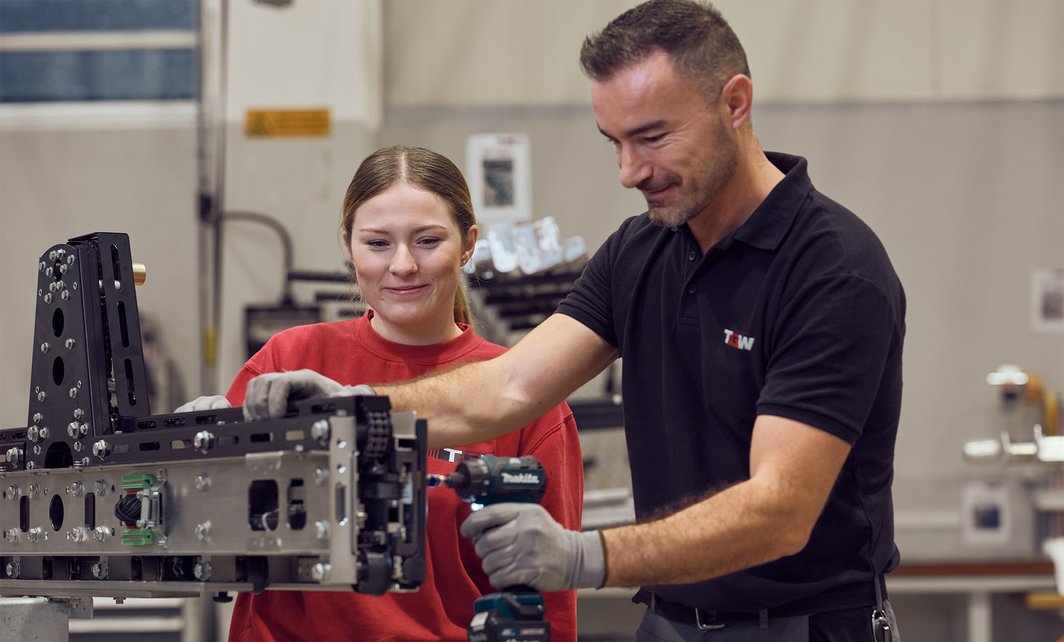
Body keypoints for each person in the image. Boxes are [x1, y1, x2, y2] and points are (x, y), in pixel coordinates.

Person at [242, 1, 905, 639]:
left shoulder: (831, 269)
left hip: (804, 628)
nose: (628, 172)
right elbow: (508, 389)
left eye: (652, 138)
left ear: (734, 103)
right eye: (614, 141)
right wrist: (356, 407)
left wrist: (585, 555)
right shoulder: (641, 251)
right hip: (671, 622)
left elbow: (779, 511)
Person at [177, 146, 583, 642]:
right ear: (348, 245)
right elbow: (210, 543)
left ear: (469, 243)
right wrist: (193, 468)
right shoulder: (289, 360)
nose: (404, 265)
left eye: (428, 240)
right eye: (377, 243)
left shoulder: (524, 397)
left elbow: (550, 600)